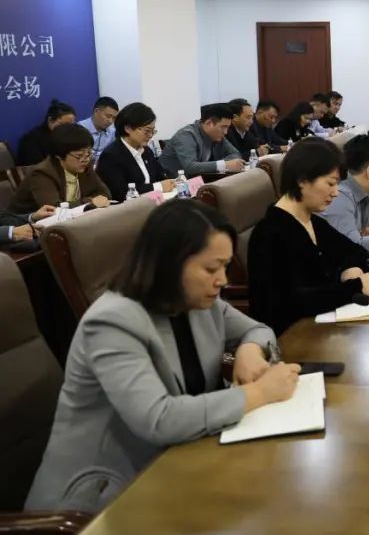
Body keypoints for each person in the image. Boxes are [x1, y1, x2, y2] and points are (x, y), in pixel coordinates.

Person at [23, 199, 300, 513]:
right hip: (96, 503)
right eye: (212, 268)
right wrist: (259, 393)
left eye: (225, 266)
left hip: (180, 463)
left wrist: (249, 350)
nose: (222, 279)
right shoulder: (112, 322)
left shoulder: (198, 301)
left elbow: (259, 330)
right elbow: (159, 420)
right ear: (170, 265)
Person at [248, 139, 369, 334]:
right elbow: (289, 303)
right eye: (330, 183)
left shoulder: (312, 221)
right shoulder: (270, 233)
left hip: (322, 330)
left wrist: (350, 269)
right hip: (290, 339)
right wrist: (355, 288)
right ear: (302, 180)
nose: (336, 193)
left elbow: (357, 252)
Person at [10, 124, 111, 213]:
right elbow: (53, 209)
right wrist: (90, 202)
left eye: (88, 153)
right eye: (79, 155)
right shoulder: (42, 173)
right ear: (59, 155)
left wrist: (91, 202)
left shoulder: (84, 166)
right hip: (26, 224)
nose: (86, 159)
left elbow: (105, 193)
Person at [95, 102, 175, 199]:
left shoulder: (146, 151)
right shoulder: (111, 156)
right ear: (128, 128)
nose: (150, 135)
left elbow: (161, 177)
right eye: (147, 131)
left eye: (152, 131)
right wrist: (158, 187)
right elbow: (121, 192)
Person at [159, 104, 245, 177]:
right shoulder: (186, 135)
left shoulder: (217, 135)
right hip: (171, 183)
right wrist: (225, 165)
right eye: (223, 127)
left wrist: (227, 164)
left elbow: (235, 154)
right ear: (209, 123)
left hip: (198, 180)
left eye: (228, 127)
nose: (225, 132)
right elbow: (190, 167)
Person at [16, 99, 77, 166]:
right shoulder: (31, 140)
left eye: (71, 125)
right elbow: (34, 167)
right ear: (50, 120)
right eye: (64, 125)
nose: (68, 129)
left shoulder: (69, 136)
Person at [77, 96, 119, 164]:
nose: (110, 121)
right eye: (108, 116)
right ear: (96, 111)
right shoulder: (79, 129)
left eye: (114, 118)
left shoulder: (112, 132)